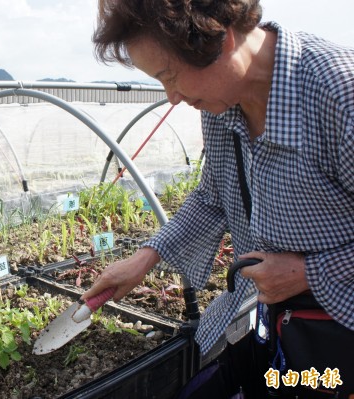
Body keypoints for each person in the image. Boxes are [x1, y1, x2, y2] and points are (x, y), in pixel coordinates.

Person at [82, 0, 354, 396]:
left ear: (218, 39)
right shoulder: (222, 104)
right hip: (284, 321)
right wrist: (144, 259)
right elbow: (213, 197)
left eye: (169, 75)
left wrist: (309, 273)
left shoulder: (339, 95)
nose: (171, 96)